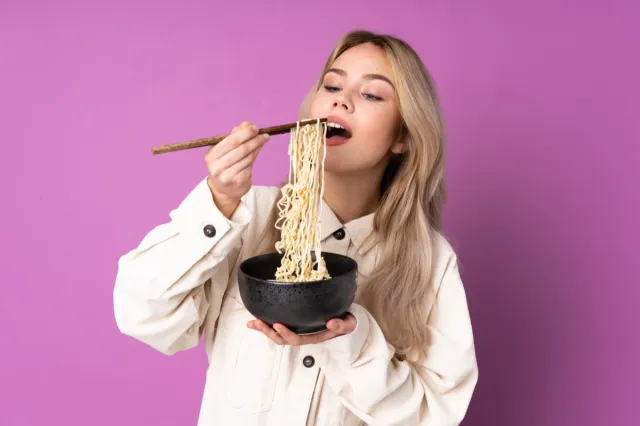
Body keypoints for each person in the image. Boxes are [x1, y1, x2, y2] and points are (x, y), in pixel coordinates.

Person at [113, 30, 478, 426]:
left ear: (403, 137)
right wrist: (216, 202)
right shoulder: (243, 216)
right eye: (332, 84)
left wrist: (353, 341)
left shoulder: (430, 261)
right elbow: (143, 315)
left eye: (371, 95)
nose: (340, 99)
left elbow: (434, 415)